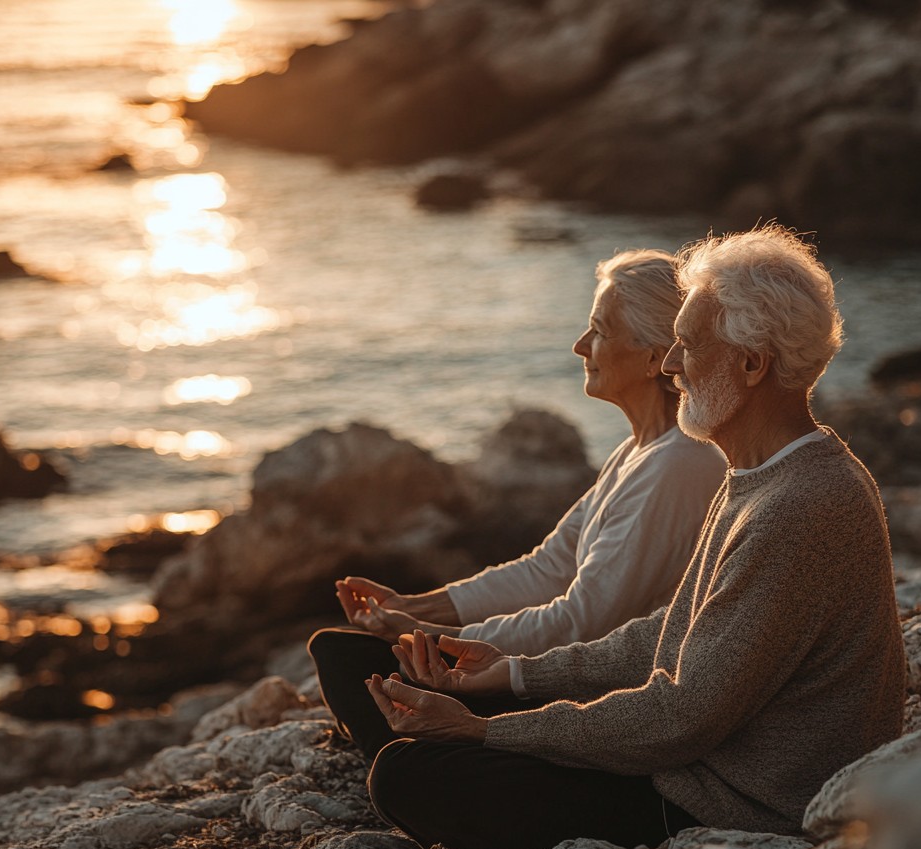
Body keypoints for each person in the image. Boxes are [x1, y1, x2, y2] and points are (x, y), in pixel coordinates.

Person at [360, 223, 907, 849]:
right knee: (411, 759)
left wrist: (487, 732)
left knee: (411, 776)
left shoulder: (799, 505)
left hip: (743, 807)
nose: (671, 366)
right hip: (704, 774)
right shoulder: (759, 476)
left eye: (686, 346)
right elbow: (669, 633)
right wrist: (513, 674)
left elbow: (681, 717)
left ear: (752, 364)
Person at [309, 250, 725, 753]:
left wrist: (440, 640)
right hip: (563, 671)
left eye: (598, 330)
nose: (580, 345)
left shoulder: (677, 463)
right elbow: (547, 567)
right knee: (345, 651)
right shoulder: (639, 450)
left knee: (346, 660)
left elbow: (581, 621)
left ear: (655, 356)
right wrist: (415, 607)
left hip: (599, 698)